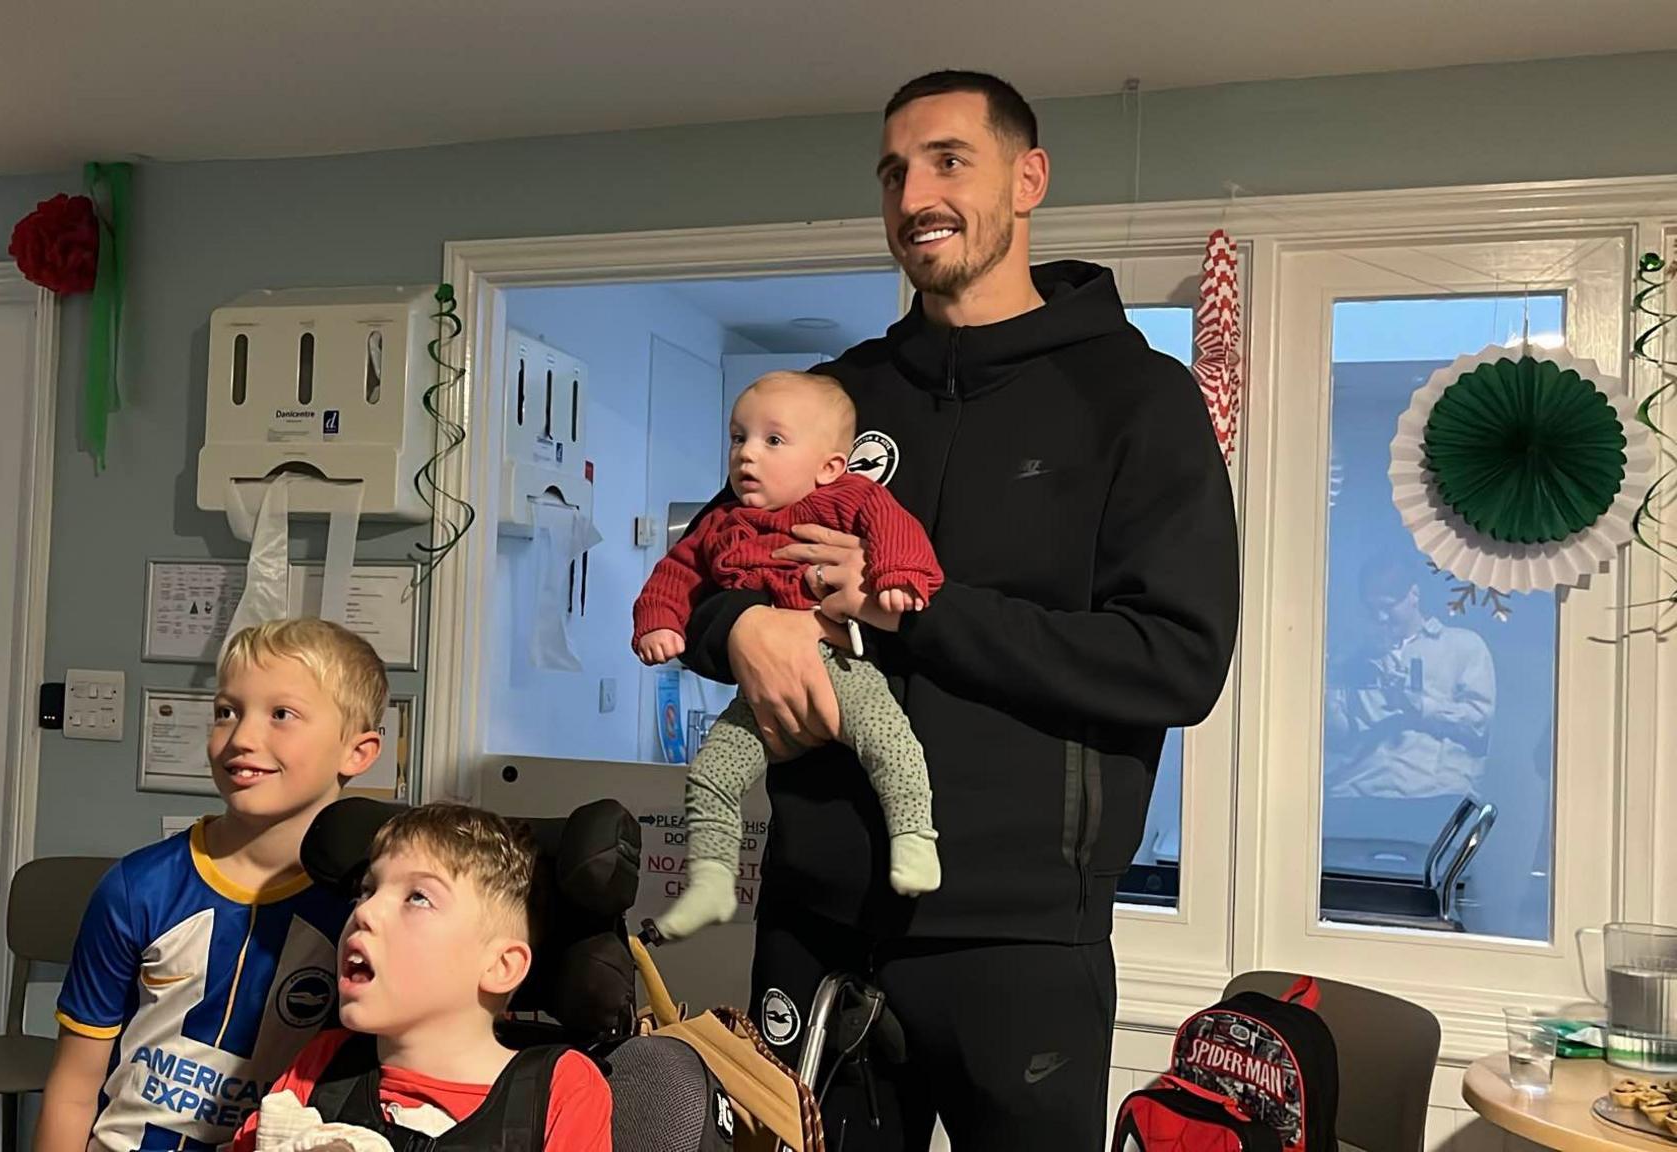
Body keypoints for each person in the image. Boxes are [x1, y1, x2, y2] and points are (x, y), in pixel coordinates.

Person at [678, 70, 1240, 1149]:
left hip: (1020, 940)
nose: (913, 194)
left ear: (1027, 179)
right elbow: (702, 571)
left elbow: (1176, 661)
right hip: (813, 919)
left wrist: (912, 615)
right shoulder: (839, 396)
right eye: (893, 171)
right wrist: (741, 627)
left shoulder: (1136, 398)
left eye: (947, 160)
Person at [36, 618, 387, 1152]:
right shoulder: (137, 890)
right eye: (227, 711)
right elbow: (73, 1088)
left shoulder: (369, 910)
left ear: (356, 752)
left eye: (282, 715)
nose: (242, 738)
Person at [633, 370, 943, 940]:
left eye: (772, 441)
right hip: (763, 688)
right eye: (737, 437)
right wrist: (657, 620)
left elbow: (898, 533)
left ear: (829, 466)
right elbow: (675, 574)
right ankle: (710, 880)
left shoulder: (853, 497)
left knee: (891, 744)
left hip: (841, 664)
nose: (746, 453)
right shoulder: (723, 523)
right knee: (711, 774)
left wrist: (899, 577)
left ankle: (915, 837)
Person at [230, 803, 613, 1151]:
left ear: (500, 966)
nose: (365, 912)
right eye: (366, 890)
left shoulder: (558, 1089)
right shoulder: (324, 1063)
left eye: (418, 897)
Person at [1324, 551, 1496, 799]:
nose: (1381, 617)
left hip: (1433, 795)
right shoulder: (1353, 657)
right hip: (1356, 795)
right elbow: (1335, 736)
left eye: (1388, 606)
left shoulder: (1463, 646)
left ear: (1414, 594)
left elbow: (1479, 724)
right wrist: (1329, 680)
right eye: (1372, 608)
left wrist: (1422, 706)